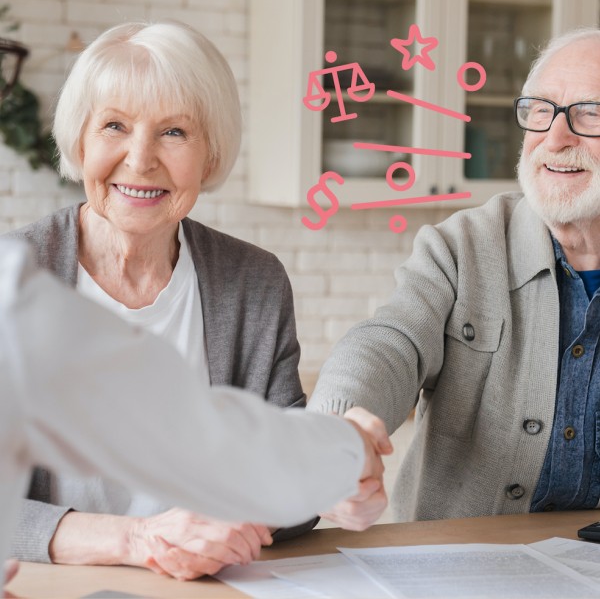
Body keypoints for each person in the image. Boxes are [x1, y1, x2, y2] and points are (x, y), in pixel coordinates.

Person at [3, 20, 353, 578]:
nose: (140, 160)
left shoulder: (254, 282)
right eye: (114, 125)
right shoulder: (13, 279)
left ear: (210, 155)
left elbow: (290, 483)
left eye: (174, 133)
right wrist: (139, 538)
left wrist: (325, 472)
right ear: (80, 140)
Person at [309, 27, 600, 529]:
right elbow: (391, 340)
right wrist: (337, 427)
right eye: (540, 110)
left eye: (591, 113)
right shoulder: (463, 246)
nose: (555, 138)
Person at [0, 236, 391, 589]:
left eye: (175, 147)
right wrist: (346, 454)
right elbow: (185, 431)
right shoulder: (19, 289)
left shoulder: (254, 278)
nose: (140, 161)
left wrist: (327, 484)